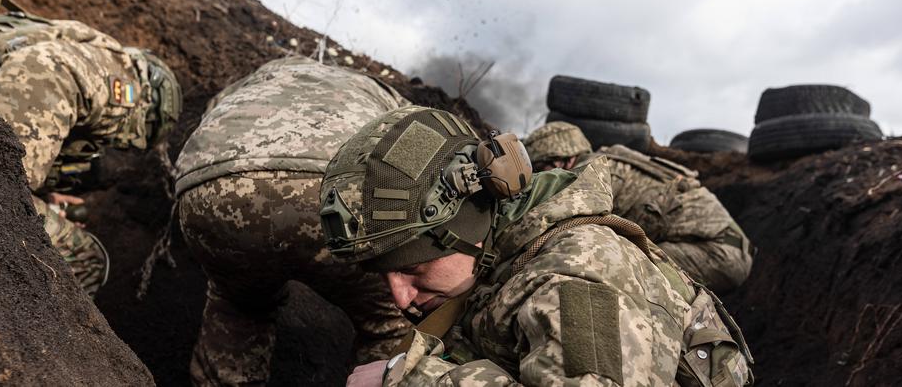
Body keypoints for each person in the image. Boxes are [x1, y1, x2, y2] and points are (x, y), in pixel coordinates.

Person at [320, 107, 753, 386]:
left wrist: (413, 379)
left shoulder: (577, 274)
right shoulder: (501, 253)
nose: (399, 297)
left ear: (471, 218)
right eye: (383, 274)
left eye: (414, 267)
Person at [174, 55, 415, 386]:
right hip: (338, 194)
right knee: (390, 326)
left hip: (214, 186)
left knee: (238, 308)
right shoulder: (376, 90)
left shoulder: (260, 76)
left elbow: (209, 118)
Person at [0, 10, 181, 296]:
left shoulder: (66, 43)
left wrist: (35, 197)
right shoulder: (129, 88)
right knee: (86, 261)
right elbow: (47, 70)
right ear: (149, 118)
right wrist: (10, 184)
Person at [523, 121, 754, 292]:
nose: (543, 175)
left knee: (604, 266)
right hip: (726, 248)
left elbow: (553, 227)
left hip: (716, 252)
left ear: (559, 159)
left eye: (541, 167)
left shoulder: (591, 174)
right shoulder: (608, 161)